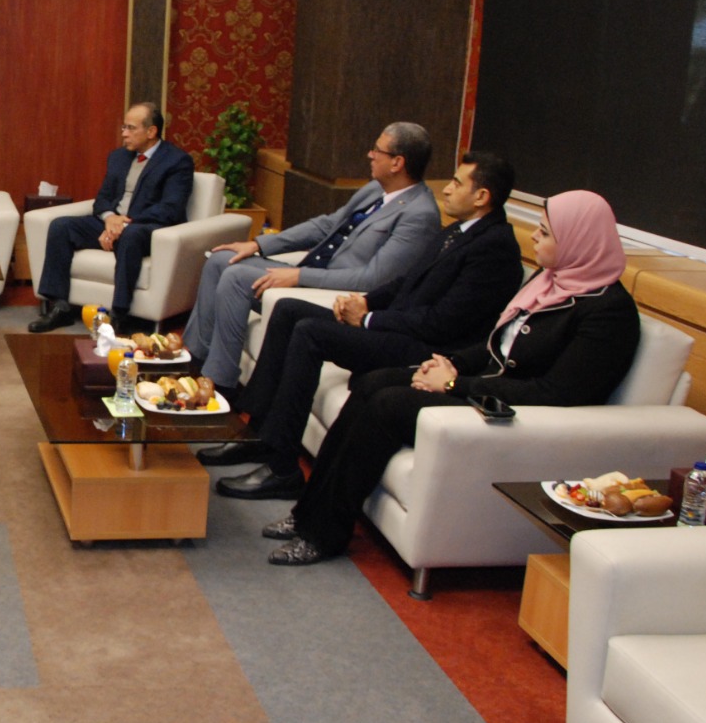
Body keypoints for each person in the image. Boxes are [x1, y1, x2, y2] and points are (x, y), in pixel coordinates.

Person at [264, 190, 641, 566]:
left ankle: (323, 534)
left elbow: (554, 393)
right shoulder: (550, 282)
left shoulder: (608, 313)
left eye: (545, 232)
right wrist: (449, 363)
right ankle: (307, 513)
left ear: (578, 241)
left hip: (512, 411)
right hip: (481, 388)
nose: (535, 238)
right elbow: (495, 345)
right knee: (372, 382)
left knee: (386, 403)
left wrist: (453, 384)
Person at [205, 151, 523, 500]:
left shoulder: (495, 249)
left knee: (311, 333)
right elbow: (405, 283)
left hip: (424, 348)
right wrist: (366, 302)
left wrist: (370, 319)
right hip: (398, 327)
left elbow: (442, 323)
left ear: (481, 196)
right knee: (289, 310)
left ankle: (282, 469)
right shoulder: (458, 231)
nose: (446, 189)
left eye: (457, 183)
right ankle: (259, 435)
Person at [183, 121, 443, 396]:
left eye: (377, 150)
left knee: (236, 276)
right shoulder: (375, 190)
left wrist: (299, 276)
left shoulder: (419, 215)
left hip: (332, 291)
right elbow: (326, 225)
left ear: (397, 163)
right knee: (221, 259)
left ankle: (221, 383)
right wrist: (258, 244)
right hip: (310, 270)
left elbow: (374, 279)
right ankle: (195, 363)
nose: (370, 155)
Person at [28, 101, 195, 333]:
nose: (124, 134)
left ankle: (119, 315)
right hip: (112, 223)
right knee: (61, 226)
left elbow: (170, 208)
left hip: (148, 228)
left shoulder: (176, 161)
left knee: (131, 235)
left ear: (151, 131)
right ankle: (60, 307)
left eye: (130, 128)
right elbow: (103, 199)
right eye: (123, 127)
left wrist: (124, 223)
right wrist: (109, 219)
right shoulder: (118, 157)